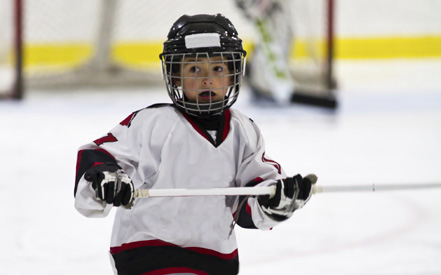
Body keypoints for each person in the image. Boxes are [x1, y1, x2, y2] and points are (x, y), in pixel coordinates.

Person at [74, 13, 315, 275]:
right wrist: (106, 180)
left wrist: (276, 200)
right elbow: (97, 155)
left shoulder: (244, 131)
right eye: (194, 69)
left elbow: (251, 201)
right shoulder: (153, 123)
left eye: (218, 69)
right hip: (146, 252)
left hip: (215, 259)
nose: (207, 79)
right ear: (175, 76)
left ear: (234, 74)